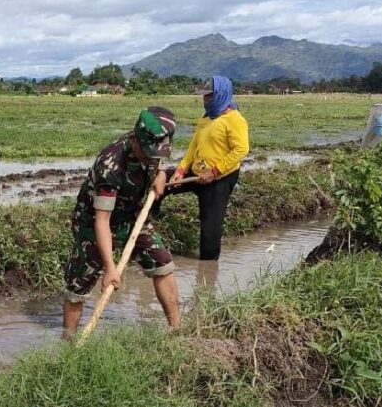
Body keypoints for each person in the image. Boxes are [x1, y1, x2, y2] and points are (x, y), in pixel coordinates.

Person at [62, 107, 181, 337]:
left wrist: (161, 174)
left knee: (162, 263)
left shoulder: (156, 144)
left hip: (134, 216)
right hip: (94, 222)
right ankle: (68, 343)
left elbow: (160, 159)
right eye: (148, 154)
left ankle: (177, 331)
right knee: (78, 284)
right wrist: (109, 267)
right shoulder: (111, 165)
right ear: (135, 140)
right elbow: (102, 221)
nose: (152, 158)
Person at [164, 75, 249, 260]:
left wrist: (214, 172)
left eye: (209, 96)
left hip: (219, 179)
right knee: (161, 180)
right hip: (196, 172)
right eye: (204, 96)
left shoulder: (234, 119)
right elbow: (194, 146)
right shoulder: (206, 117)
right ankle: (148, 223)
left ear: (221, 95)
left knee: (210, 230)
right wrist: (180, 171)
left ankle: (208, 272)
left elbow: (241, 149)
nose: (205, 99)